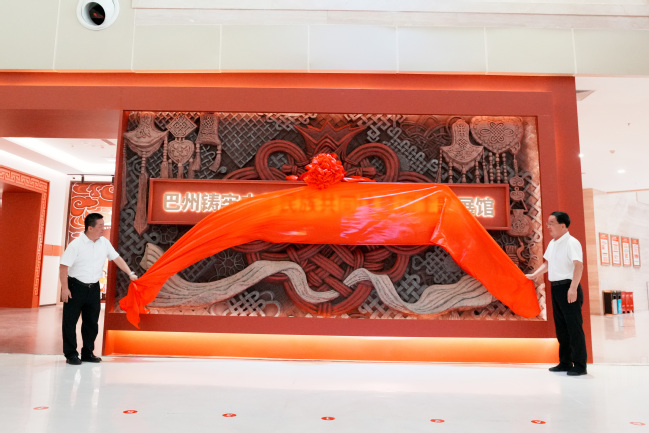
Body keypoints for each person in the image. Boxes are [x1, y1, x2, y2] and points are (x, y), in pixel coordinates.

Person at [59, 213, 138, 365]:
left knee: (91, 323)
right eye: (100, 226)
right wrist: (64, 288)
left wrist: (130, 273)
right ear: (90, 228)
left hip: (94, 288)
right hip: (75, 287)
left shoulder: (104, 243)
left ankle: (87, 353)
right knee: (70, 322)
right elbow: (63, 267)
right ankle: (71, 354)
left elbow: (117, 258)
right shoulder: (76, 245)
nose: (103, 228)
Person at [526, 211, 587, 376]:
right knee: (561, 328)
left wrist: (573, 288)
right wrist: (534, 275)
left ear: (563, 225)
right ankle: (565, 362)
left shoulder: (572, 242)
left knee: (574, 327)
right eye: (548, 223)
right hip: (556, 288)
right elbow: (547, 264)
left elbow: (578, 266)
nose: (548, 226)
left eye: (551, 223)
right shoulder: (553, 243)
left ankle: (580, 365)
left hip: (568, 287)